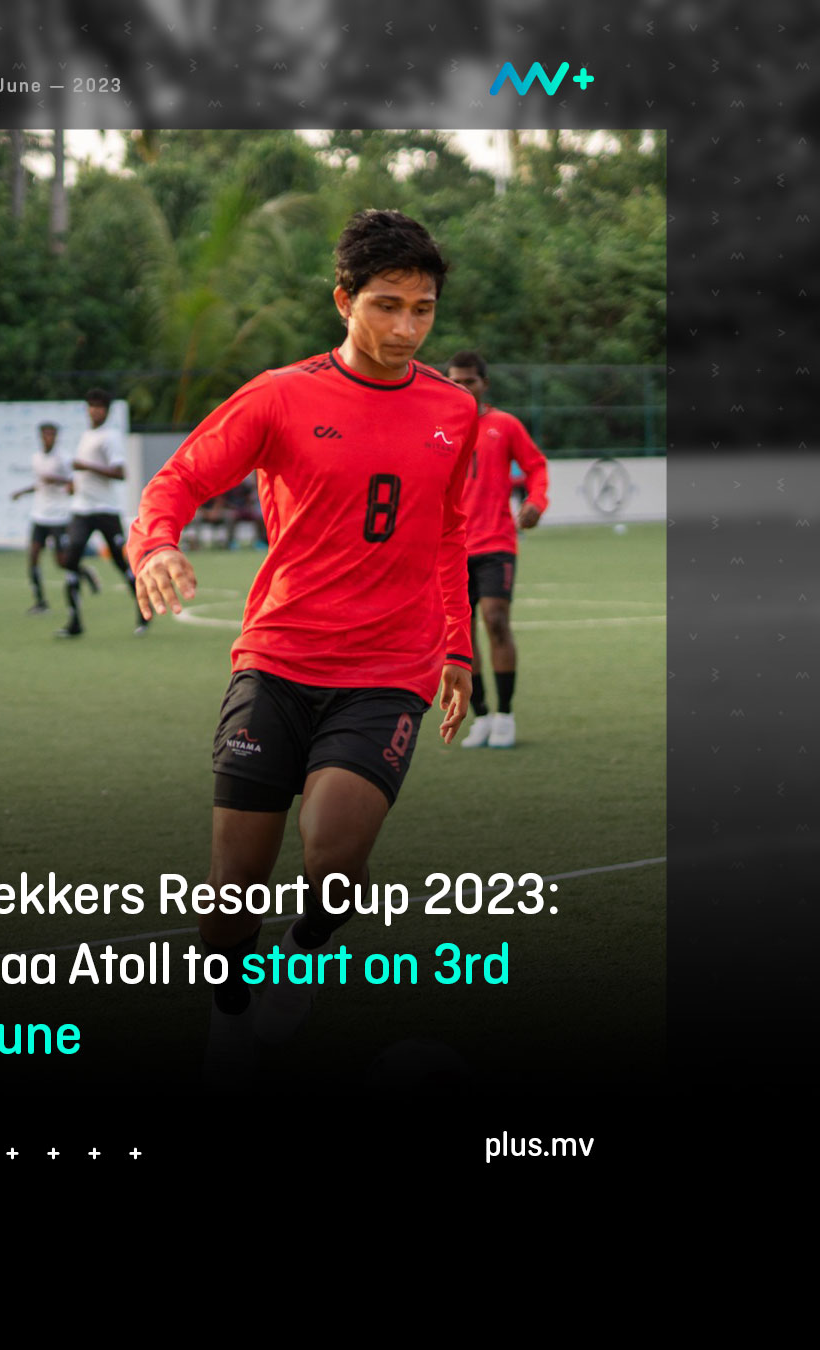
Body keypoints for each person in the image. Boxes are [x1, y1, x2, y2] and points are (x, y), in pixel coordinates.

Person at [128, 209, 480, 1086]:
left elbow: (447, 534)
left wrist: (456, 649)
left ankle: (304, 954)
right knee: (232, 888)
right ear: (344, 301)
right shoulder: (280, 396)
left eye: (423, 309)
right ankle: (229, 1016)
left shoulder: (455, 410)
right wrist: (156, 544)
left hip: (388, 670)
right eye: (388, 305)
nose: (407, 328)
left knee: (334, 853)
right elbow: (178, 479)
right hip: (279, 659)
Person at [446, 350, 549, 749]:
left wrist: (536, 501)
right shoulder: (437, 427)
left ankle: (505, 715)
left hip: (495, 542)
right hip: (449, 549)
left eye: (469, 381)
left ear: (484, 384)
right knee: (460, 636)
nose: (462, 388)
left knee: (496, 620)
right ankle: (481, 716)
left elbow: (536, 465)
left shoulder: (504, 425)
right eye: (454, 381)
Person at [57, 388, 148, 638]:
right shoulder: (86, 435)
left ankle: (143, 610)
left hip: (105, 510)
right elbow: (82, 471)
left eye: (100, 407)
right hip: (82, 509)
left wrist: (84, 466)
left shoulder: (110, 437)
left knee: (121, 563)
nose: (95, 411)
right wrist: (73, 483)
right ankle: (74, 622)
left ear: (106, 411)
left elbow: (120, 473)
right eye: (92, 406)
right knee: (70, 560)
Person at [10, 422, 97, 614]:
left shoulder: (64, 459)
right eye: (45, 434)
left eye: (52, 435)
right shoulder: (36, 458)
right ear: (40, 436)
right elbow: (39, 484)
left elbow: (73, 486)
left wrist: (57, 480)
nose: (48, 438)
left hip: (58, 517)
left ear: (56, 437)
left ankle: (85, 572)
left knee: (62, 561)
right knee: (33, 556)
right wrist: (21, 492)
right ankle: (40, 602)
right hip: (39, 515)